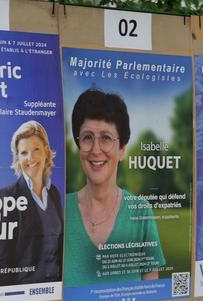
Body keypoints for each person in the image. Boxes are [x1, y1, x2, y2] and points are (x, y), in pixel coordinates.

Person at [64, 88, 165, 285]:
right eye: (87, 137)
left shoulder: (141, 212)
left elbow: (152, 296)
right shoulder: (60, 210)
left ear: (122, 150)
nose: (95, 150)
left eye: (106, 138)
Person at [0, 121, 63, 286]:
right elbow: (2, 262)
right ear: (17, 157)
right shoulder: (6, 196)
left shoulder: (54, 193)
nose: (30, 158)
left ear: (46, 152)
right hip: (25, 296)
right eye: (24, 152)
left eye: (36, 150)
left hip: (55, 292)